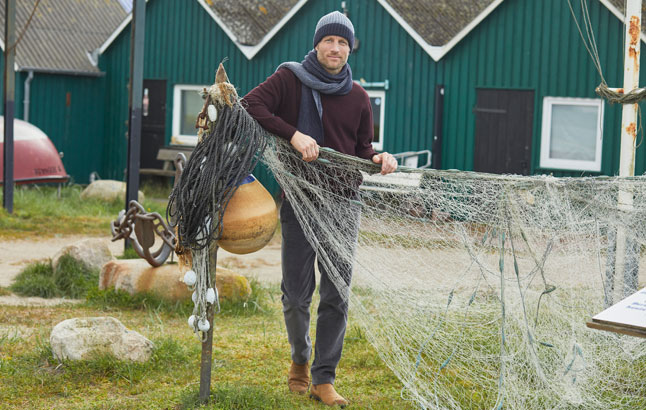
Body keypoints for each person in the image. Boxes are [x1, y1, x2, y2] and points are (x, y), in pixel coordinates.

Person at [244, 10, 397, 407]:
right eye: (329, 40)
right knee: (296, 295)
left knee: (336, 295)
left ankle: (323, 378)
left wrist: (379, 158)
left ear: (350, 49)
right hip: (300, 200)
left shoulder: (358, 95)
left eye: (343, 42)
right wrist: (295, 135)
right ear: (317, 44)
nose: (336, 48)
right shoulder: (290, 80)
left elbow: (361, 148)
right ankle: (299, 359)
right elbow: (250, 104)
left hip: (345, 203)